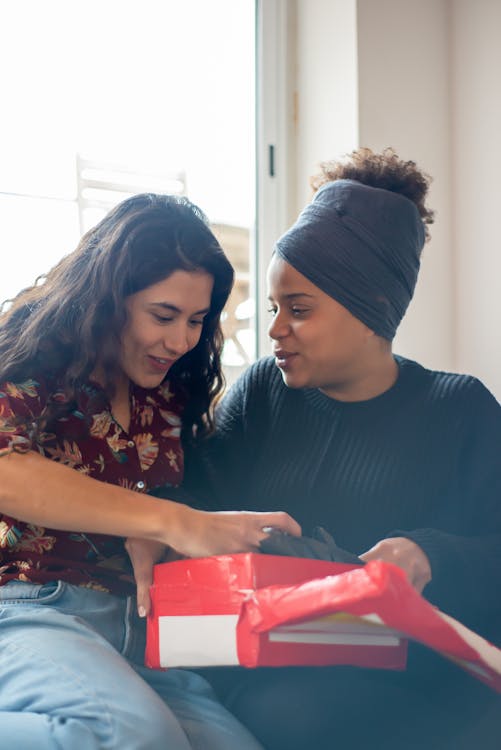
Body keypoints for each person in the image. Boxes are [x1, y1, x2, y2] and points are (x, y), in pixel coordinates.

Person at [183, 149, 501, 749]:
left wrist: (429, 555)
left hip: (413, 685)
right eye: (275, 308)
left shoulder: (461, 412)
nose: (275, 328)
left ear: (373, 308)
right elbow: (195, 502)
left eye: (298, 310)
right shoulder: (260, 394)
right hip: (264, 666)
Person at [0, 192, 301, 750]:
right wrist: (167, 520)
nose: (181, 340)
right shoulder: (36, 351)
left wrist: (161, 530)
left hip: (136, 630)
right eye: (163, 316)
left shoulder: (169, 388)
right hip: (26, 609)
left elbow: (165, 495)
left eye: (195, 320)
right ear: (110, 298)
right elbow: (5, 468)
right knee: (135, 736)